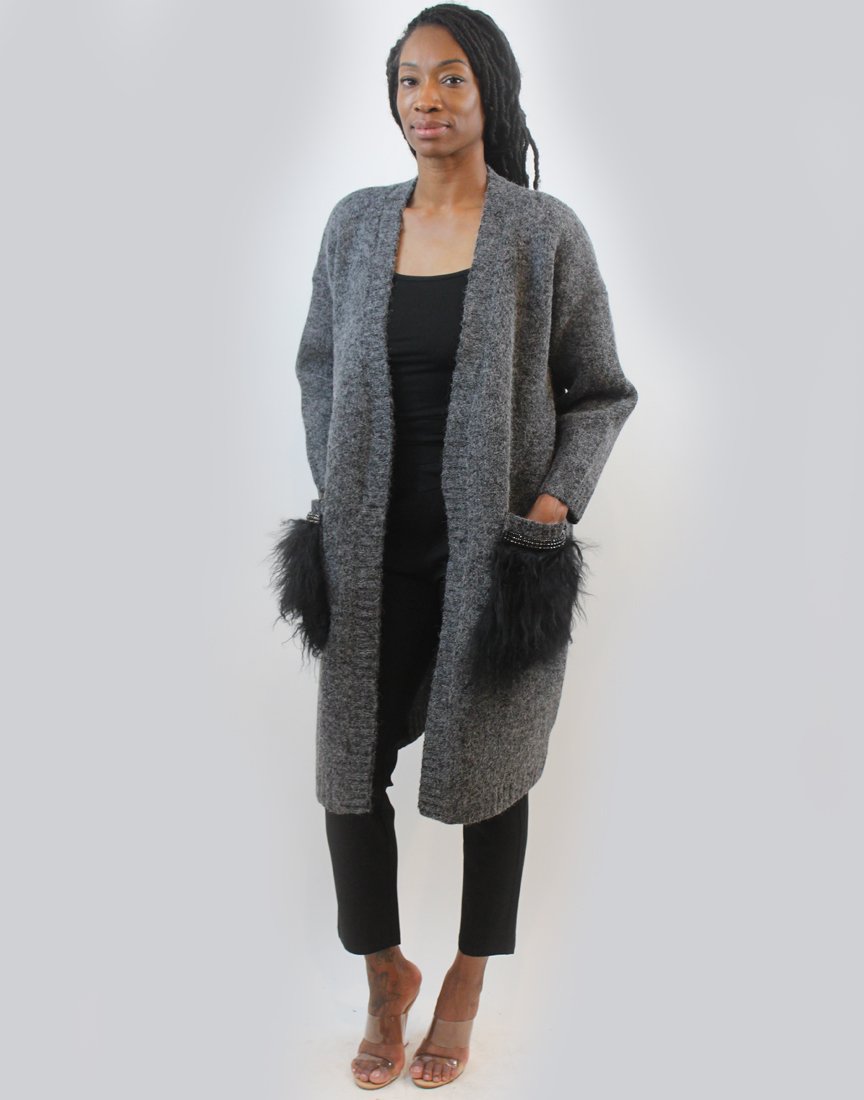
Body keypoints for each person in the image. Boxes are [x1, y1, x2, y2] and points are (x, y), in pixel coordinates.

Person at [271, 3, 639, 1089]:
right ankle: (384, 972)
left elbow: (600, 389)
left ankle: (467, 985)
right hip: (370, 547)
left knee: (492, 771)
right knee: (348, 774)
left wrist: (550, 509)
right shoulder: (354, 224)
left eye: (449, 79)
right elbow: (318, 365)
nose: (425, 100)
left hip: (494, 554)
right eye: (409, 80)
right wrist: (335, 476)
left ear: (490, 92)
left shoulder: (541, 231)